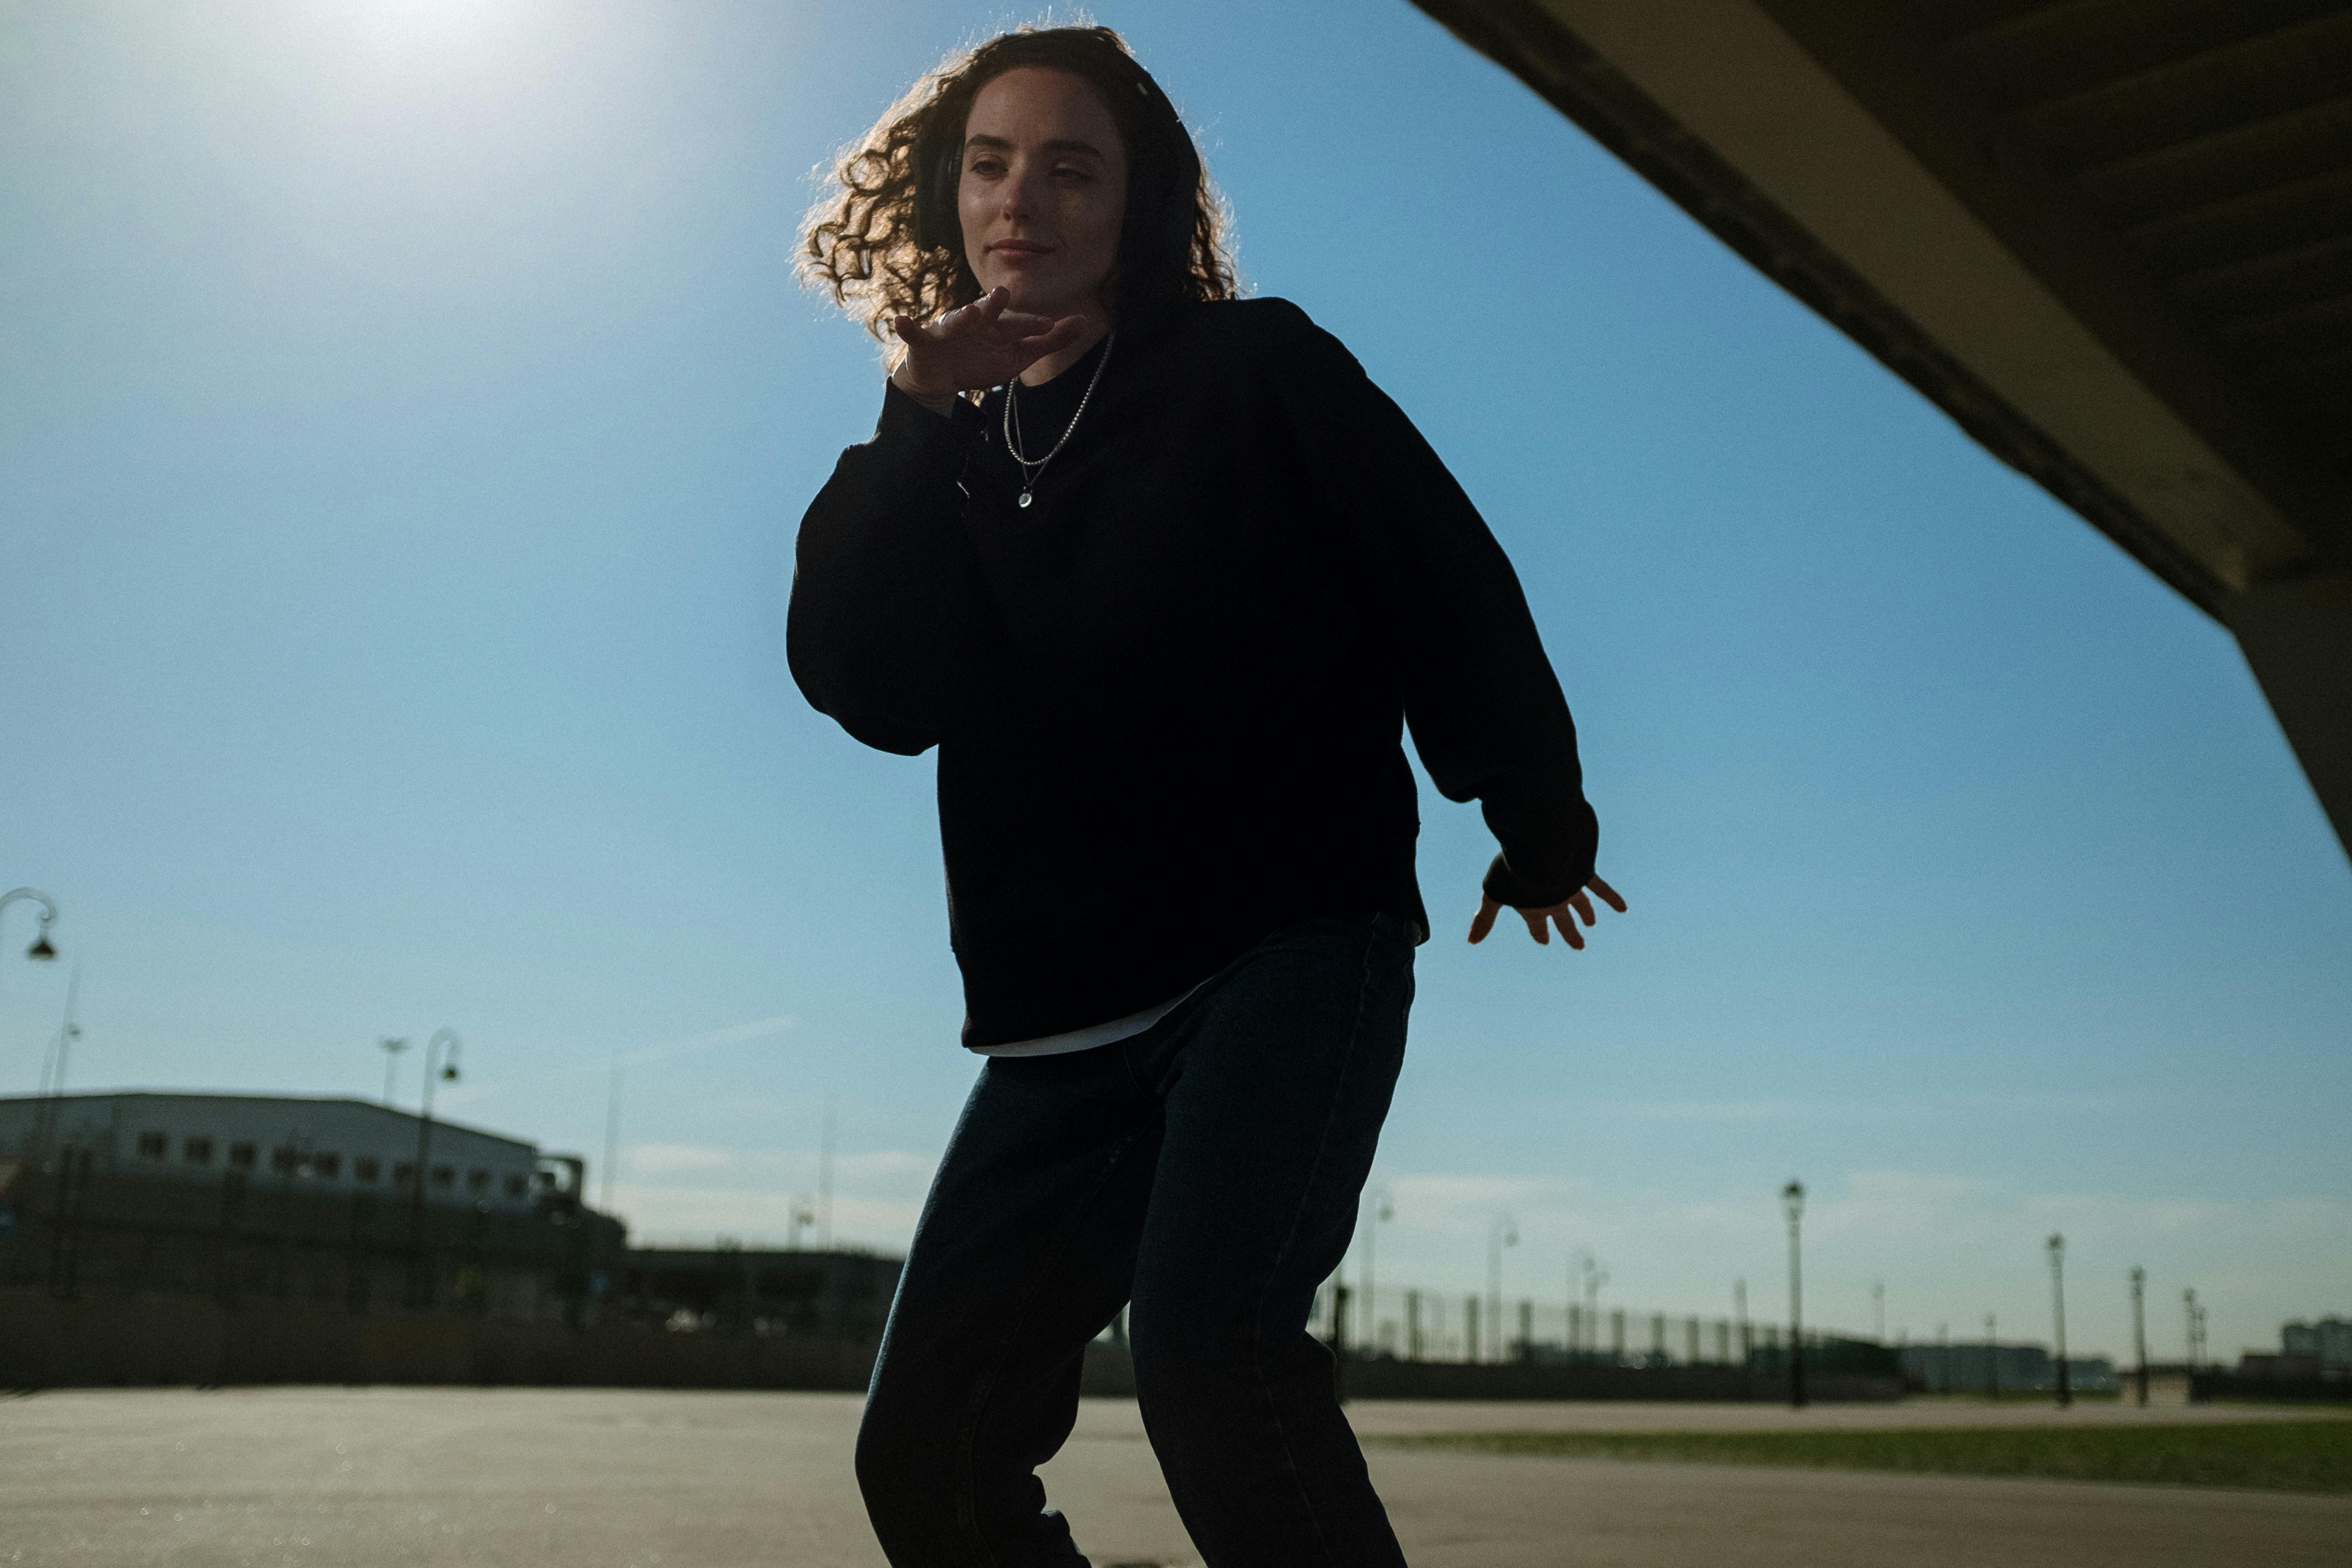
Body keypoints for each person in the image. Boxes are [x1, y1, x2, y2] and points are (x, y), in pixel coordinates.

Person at [789, 24, 1622, 1568]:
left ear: (1135, 201)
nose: (1020, 199)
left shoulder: (1257, 371)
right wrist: (913, 417)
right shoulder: (955, 455)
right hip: (1057, 1023)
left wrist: (1532, 811)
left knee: (1210, 1353)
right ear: (944, 193)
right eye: (989, 164)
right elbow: (869, 688)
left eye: (1069, 167)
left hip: (1286, 948)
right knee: (925, 1452)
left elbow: (1439, 571)